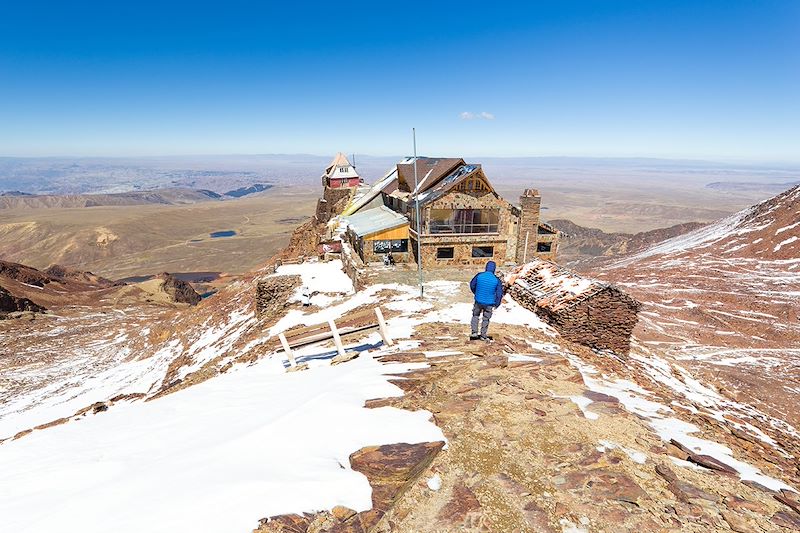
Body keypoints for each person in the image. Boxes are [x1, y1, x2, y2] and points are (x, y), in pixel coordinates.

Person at [469, 260, 503, 341]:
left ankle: (474, 332)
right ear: (494, 269)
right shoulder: (496, 280)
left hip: (478, 300)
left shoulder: (479, 275)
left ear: (486, 267)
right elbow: (499, 293)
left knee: (475, 315)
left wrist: (476, 293)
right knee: (486, 318)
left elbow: (472, 285)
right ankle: (483, 335)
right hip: (489, 303)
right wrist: (497, 304)